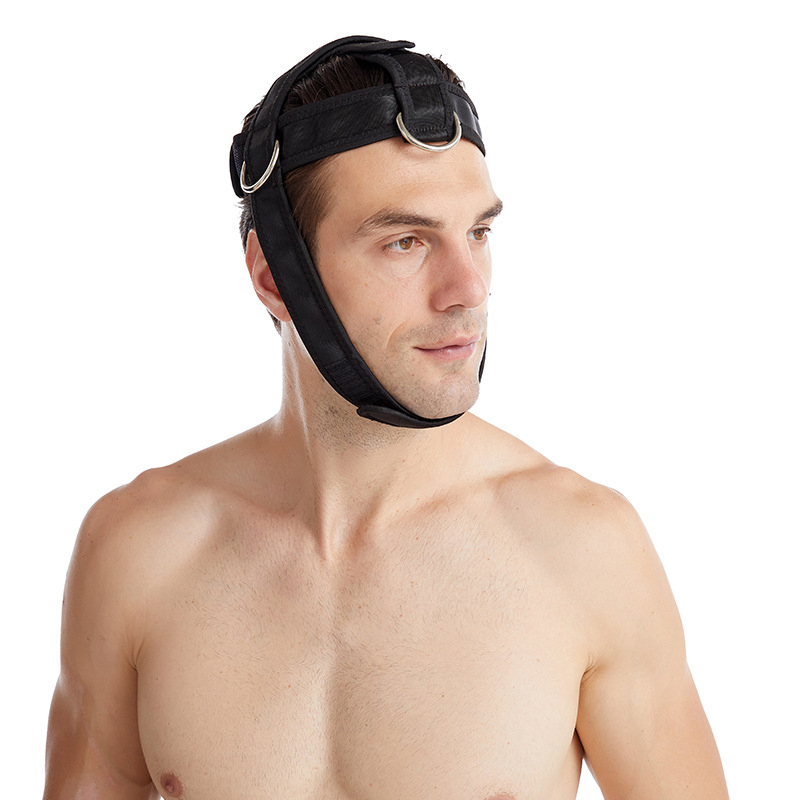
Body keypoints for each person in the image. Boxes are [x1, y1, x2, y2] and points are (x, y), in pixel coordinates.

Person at [43, 36, 728, 800]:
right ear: (274, 276)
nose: (468, 288)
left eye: (479, 233)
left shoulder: (583, 550)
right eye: (406, 241)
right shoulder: (138, 553)